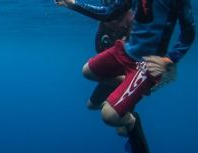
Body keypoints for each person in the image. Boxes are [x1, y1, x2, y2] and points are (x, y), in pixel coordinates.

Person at [56, 0, 195, 134]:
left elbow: (188, 32)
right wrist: (74, 5)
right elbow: (108, 12)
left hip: (146, 64)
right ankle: (126, 83)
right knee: (87, 72)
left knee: (110, 117)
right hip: (124, 51)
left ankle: (131, 120)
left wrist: (169, 59)